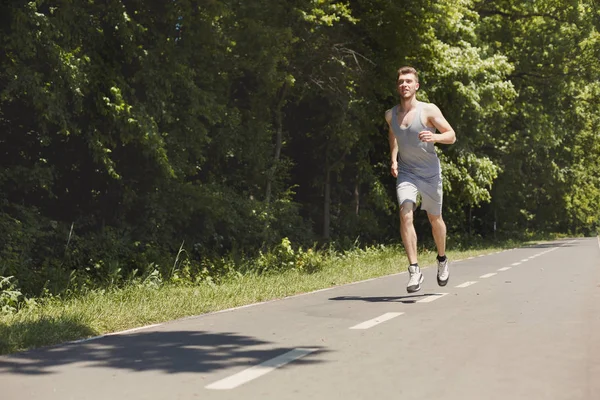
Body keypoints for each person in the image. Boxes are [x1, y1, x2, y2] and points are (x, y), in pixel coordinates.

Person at [384, 66, 456, 293]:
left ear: (416, 86)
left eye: (408, 81)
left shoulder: (428, 110)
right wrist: (394, 159)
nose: (404, 84)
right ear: (398, 86)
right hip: (407, 172)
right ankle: (414, 270)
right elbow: (393, 134)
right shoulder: (390, 115)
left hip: (430, 173)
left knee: (435, 219)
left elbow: (451, 135)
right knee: (405, 212)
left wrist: (434, 136)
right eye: (401, 82)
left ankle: (442, 259)